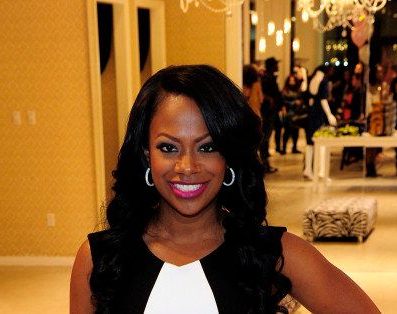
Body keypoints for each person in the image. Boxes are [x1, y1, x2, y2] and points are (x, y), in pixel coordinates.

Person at [70, 65, 380, 313]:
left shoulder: (272, 253)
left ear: (229, 156)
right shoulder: (100, 258)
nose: (187, 166)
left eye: (208, 147)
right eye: (168, 147)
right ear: (145, 154)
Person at [303, 65, 338, 180]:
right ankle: (321, 171)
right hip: (318, 115)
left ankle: (308, 169)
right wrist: (329, 114)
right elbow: (323, 99)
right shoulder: (323, 81)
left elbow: (306, 94)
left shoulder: (311, 80)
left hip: (310, 113)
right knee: (322, 141)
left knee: (310, 142)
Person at [260, 57, 282, 173]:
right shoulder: (266, 78)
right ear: (272, 66)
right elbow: (264, 94)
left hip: (271, 112)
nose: (278, 66)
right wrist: (271, 100)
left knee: (266, 137)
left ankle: (265, 163)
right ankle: (264, 164)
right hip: (268, 112)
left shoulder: (269, 77)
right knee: (265, 137)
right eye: (276, 64)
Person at [281, 73, 303, 154]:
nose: (292, 82)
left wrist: (299, 103)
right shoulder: (285, 90)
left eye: (293, 80)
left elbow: (301, 100)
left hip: (296, 113)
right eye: (290, 80)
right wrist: (294, 102)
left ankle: (294, 147)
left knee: (295, 132)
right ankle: (284, 148)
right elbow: (283, 101)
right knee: (287, 131)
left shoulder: (298, 90)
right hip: (288, 113)